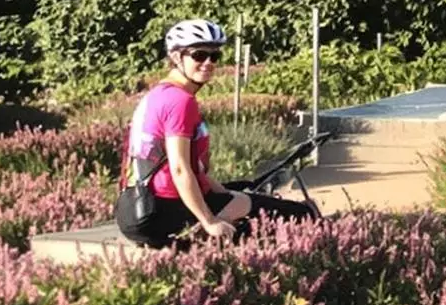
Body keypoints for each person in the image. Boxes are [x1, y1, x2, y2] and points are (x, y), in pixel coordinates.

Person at [117, 19, 320, 248]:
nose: (208, 63)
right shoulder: (179, 101)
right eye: (199, 55)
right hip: (166, 207)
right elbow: (180, 168)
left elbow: (189, 167)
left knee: (244, 195)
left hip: (139, 208)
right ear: (176, 57)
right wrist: (209, 220)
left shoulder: (159, 94)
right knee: (299, 216)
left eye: (214, 56)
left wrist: (224, 193)